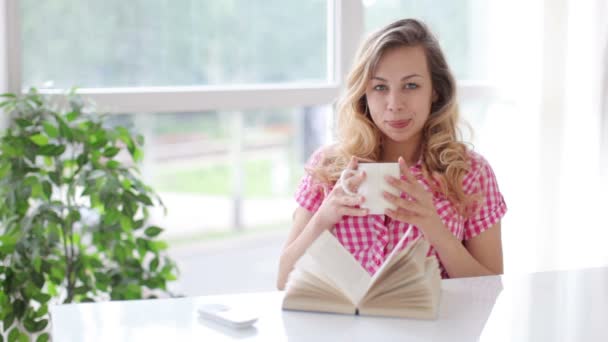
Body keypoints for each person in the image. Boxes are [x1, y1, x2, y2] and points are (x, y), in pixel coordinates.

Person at [277, 18, 507, 290]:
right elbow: (283, 280)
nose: (394, 104)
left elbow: (491, 288)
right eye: (380, 87)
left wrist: (434, 228)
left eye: (411, 86)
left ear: (435, 90)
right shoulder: (329, 167)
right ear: (364, 93)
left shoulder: (469, 173)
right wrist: (324, 216)